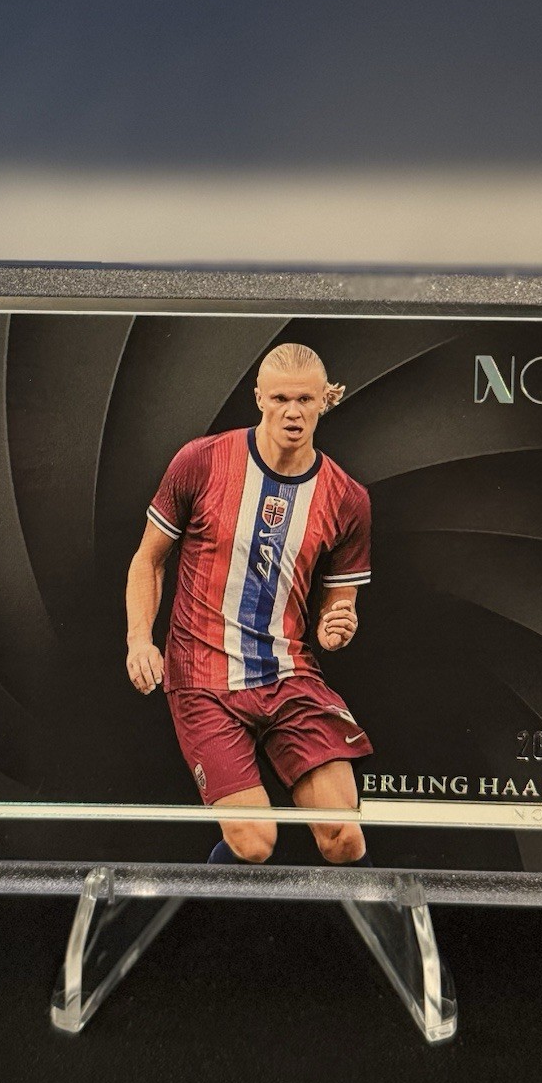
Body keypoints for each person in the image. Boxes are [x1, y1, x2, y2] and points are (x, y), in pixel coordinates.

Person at [125, 341, 373, 867]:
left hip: (288, 674)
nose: (292, 412)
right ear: (259, 397)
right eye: (280, 398)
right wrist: (139, 640)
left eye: (305, 400)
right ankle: (199, 914)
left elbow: (340, 603)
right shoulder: (202, 460)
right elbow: (148, 560)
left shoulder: (347, 498)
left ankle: (370, 920)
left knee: (343, 838)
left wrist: (337, 625)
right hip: (202, 675)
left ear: (325, 401)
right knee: (255, 842)